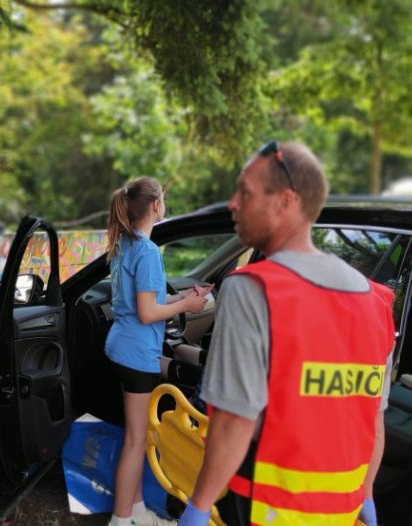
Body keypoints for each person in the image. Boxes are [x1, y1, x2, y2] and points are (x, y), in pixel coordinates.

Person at [178, 141, 396, 526]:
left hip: (266, 510)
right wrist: (366, 495)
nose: (233, 203)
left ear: (285, 202)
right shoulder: (376, 302)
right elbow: (372, 423)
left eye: (245, 192)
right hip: (340, 513)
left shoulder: (253, 289)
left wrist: (197, 506)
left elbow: (234, 422)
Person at [104, 176, 209, 526]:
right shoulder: (147, 251)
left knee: (136, 434)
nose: (165, 204)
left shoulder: (126, 244)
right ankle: (122, 520)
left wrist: (184, 298)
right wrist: (188, 308)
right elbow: (148, 313)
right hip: (137, 354)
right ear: (154, 206)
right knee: (137, 439)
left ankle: (136, 512)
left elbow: (145, 302)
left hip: (121, 347)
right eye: (163, 199)